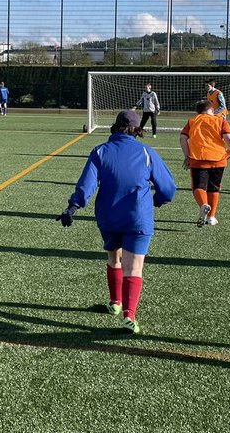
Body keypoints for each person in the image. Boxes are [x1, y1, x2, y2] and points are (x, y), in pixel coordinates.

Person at [60, 110, 176, 334]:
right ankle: (129, 315)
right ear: (136, 129)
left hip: (109, 216)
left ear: (115, 127)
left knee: (114, 257)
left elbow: (87, 185)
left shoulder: (100, 151)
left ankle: (115, 303)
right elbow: (168, 188)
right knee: (134, 266)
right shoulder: (146, 152)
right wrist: (159, 200)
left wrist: (73, 207)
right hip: (137, 217)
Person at [180, 99, 230, 227]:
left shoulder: (192, 121)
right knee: (214, 188)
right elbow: (229, 138)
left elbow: (183, 138)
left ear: (198, 112)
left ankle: (203, 205)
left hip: (198, 159)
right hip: (218, 159)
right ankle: (212, 217)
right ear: (211, 110)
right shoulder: (221, 120)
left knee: (198, 187)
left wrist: (187, 156)